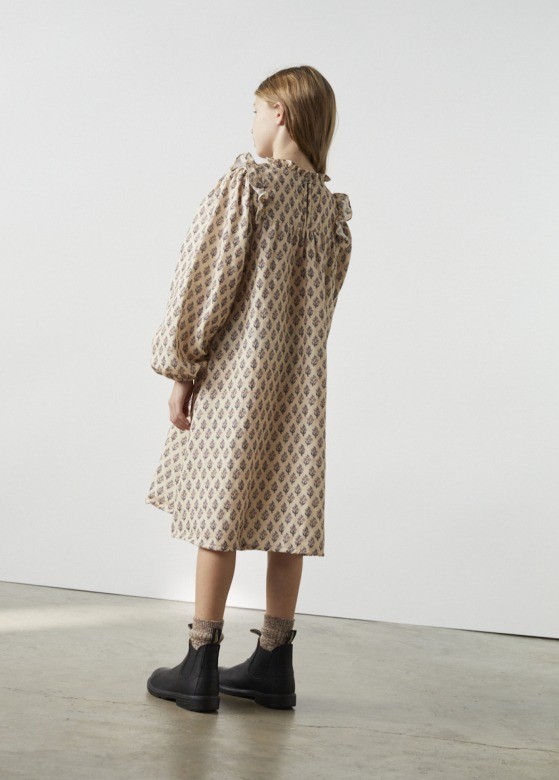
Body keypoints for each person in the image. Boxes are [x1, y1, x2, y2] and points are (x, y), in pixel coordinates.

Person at [145, 65, 353, 713]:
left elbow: (206, 278)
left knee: (219, 511)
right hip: (299, 384)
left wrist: (183, 366)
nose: (253, 123)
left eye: (256, 110)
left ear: (280, 113)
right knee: (286, 515)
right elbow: (325, 301)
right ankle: (273, 663)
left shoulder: (250, 185)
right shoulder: (330, 212)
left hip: (238, 374)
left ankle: (199, 663)